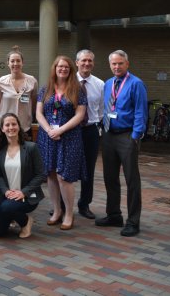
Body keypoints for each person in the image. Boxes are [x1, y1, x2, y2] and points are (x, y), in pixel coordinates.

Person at [95, 50, 147, 237]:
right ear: (110, 65)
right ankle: (114, 215)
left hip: (127, 136)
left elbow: (141, 111)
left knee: (132, 180)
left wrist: (136, 136)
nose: (117, 67)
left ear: (127, 64)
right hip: (109, 134)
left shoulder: (136, 84)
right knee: (110, 178)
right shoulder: (108, 83)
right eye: (114, 64)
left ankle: (133, 221)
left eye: (120, 63)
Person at [36, 56, 86, 231]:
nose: (63, 69)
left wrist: (60, 130)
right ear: (54, 68)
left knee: (64, 176)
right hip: (47, 137)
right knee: (50, 174)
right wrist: (49, 130)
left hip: (69, 137)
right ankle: (56, 211)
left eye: (66, 67)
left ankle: (69, 215)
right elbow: (38, 113)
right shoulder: (46, 88)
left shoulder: (77, 89)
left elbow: (80, 115)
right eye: (59, 66)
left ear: (71, 69)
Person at [0, 113, 45, 238]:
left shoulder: (31, 148)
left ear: (19, 127)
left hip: (27, 195)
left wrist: (23, 192)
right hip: (7, 196)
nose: (11, 127)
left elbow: (40, 175)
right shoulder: (0, 149)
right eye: (7, 125)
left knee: (7, 207)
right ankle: (11, 216)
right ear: (2, 129)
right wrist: (6, 191)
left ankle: (26, 222)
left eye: (14, 124)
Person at [75, 49, 105, 219]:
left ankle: (84, 204)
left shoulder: (100, 84)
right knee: (67, 167)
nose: (86, 64)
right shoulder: (68, 81)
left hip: (90, 131)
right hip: (71, 131)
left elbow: (101, 110)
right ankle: (63, 205)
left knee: (89, 169)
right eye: (83, 60)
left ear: (93, 63)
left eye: (90, 61)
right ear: (77, 62)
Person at [0, 46, 38, 138]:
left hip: (24, 127)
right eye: (12, 61)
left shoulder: (32, 81)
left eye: (18, 61)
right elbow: (0, 103)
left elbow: (33, 103)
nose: (15, 63)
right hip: (6, 127)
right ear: (8, 63)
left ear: (22, 63)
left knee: (25, 152)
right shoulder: (1, 82)